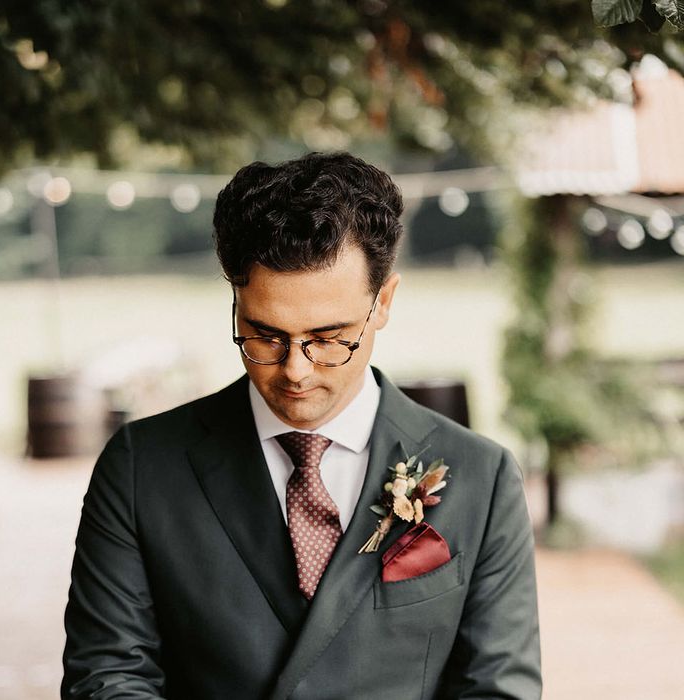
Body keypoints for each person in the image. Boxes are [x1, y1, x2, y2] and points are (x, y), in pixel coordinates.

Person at [61, 152, 541, 699]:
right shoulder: (140, 467)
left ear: (382, 302)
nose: (294, 370)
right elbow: (108, 677)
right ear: (236, 302)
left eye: (329, 337)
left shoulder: (484, 477)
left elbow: (498, 690)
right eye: (264, 334)